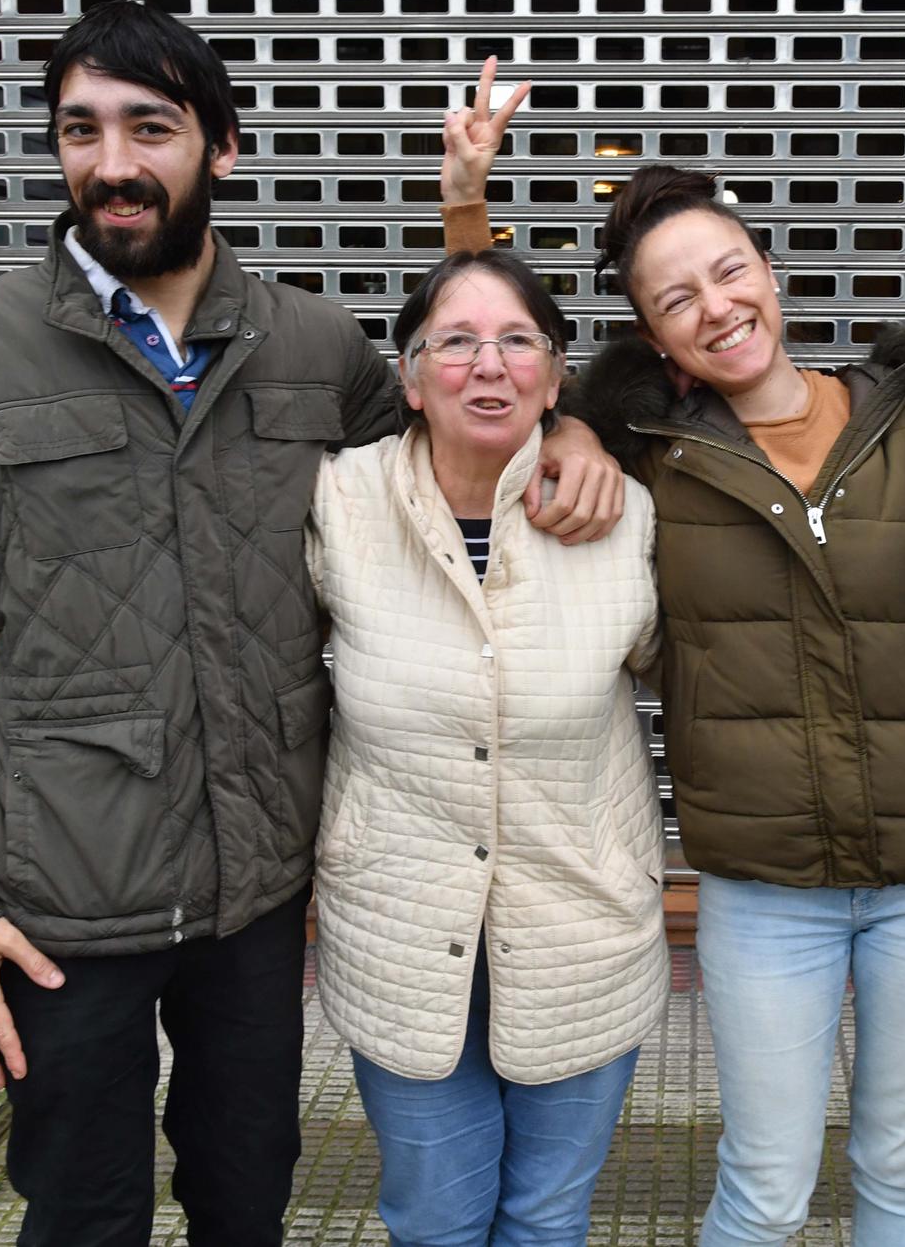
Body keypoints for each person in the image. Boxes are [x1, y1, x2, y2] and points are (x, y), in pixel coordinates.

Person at [0, 1, 621, 1247]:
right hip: (59, 905)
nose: (112, 163)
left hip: (255, 893)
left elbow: (462, 429)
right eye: (80, 131)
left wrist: (568, 427)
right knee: (85, 1216)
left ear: (223, 150)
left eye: (150, 127)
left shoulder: (312, 349)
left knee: (247, 1201)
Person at [445, 108, 905, 1239]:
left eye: (727, 272)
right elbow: (492, 355)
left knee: (902, 1171)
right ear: (652, 339)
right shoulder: (646, 457)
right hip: (761, 881)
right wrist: (466, 203)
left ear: (768, 272)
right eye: (675, 299)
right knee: (763, 1181)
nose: (716, 307)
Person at [306, 247, 664, 1246]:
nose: (489, 364)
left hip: (578, 929)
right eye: (453, 342)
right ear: (410, 381)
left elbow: (713, 678)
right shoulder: (337, 501)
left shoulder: (621, 513)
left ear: (557, 378)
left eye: (518, 341)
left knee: (547, 1216)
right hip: (400, 933)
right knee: (435, 1217)